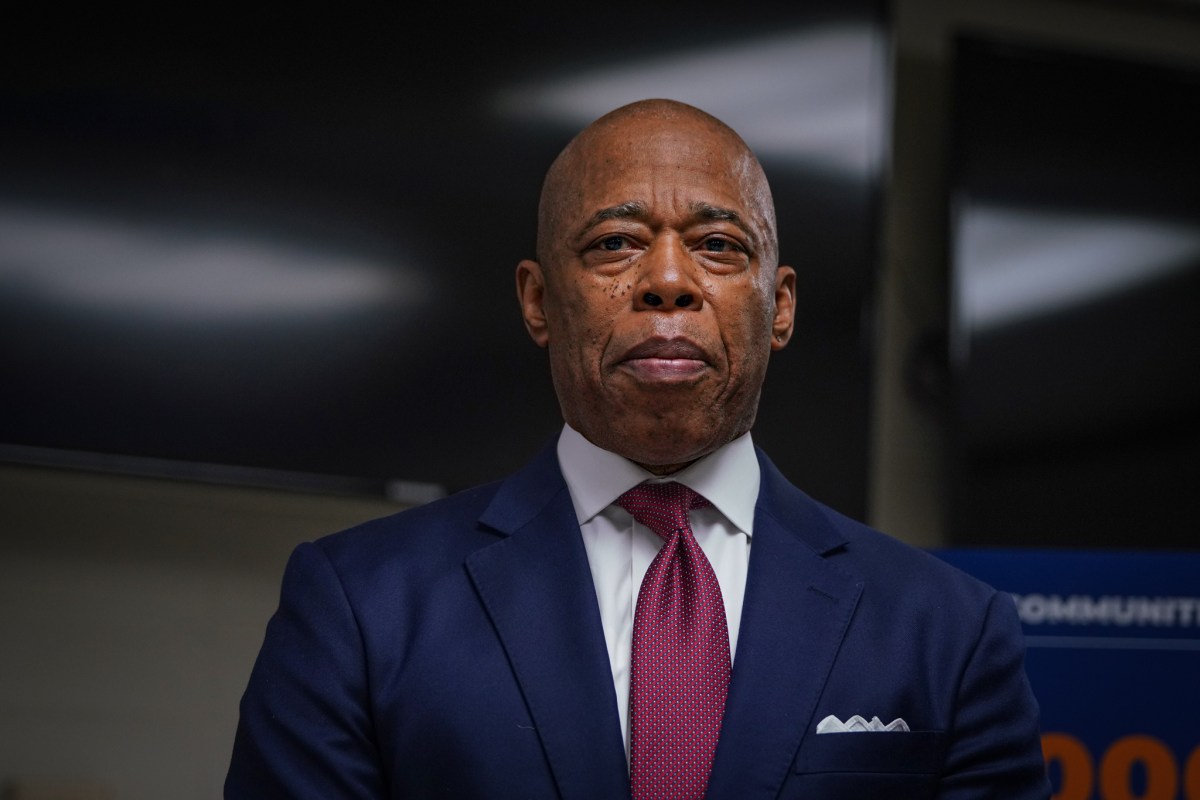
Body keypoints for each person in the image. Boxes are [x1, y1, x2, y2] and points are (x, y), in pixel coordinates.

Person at [225, 98, 1051, 799]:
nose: (668, 280)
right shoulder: (357, 606)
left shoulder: (949, 630)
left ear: (781, 306)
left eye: (718, 246)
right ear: (538, 300)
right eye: (615, 243)